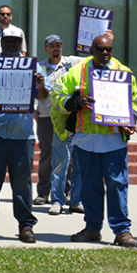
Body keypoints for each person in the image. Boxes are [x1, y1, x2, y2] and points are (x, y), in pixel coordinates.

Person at [52, 33, 137, 248]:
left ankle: (122, 231)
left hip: (113, 140)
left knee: (117, 184)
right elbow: (58, 96)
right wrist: (75, 101)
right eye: (100, 49)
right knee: (89, 187)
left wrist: (131, 120)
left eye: (108, 49)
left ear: (112, 50)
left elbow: (134, 102)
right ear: (91, 49)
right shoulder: (77, 72)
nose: (104, 53)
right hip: (86, 139)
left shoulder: (124, 73)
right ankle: (92, 228)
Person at [0, 30, 50, 243]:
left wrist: (40, 83)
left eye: (16, 41)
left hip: (22, 136)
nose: (12, 45)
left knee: (22, 184)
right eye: (8, 41)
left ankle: (26, 227)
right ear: (1, 43)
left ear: (21, 43)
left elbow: (43, 96)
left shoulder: (31, 67)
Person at [36, 35, 84, 215]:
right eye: (52, 46)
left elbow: (92, 59)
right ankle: (43, 193)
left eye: (58, 45)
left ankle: (71, 196)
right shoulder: (39, 67)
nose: (56, 48)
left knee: (74, 160)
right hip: (46, 117)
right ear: (46, 49)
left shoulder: (72, 63)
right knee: (48, 156)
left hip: (72, 117)